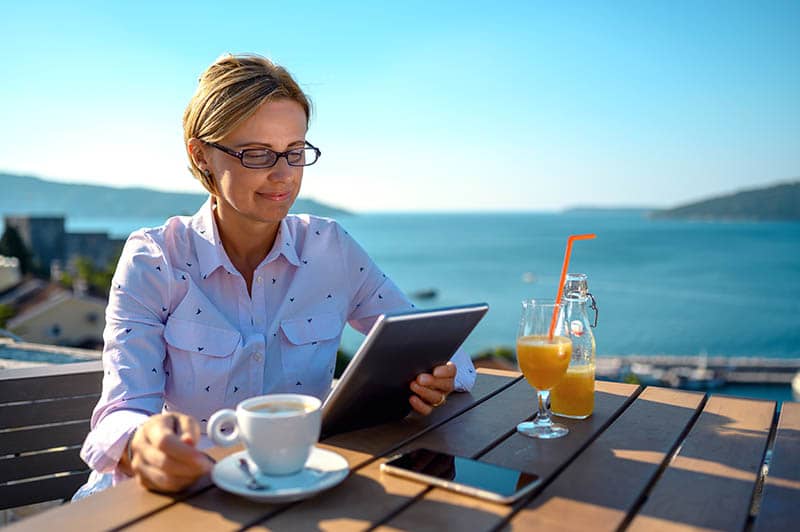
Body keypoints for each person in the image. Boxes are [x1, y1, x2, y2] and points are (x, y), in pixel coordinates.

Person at [75, 53, 476, 497]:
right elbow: (121, 412)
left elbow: (443, 348)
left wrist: (439, 375)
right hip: (177, 498)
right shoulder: (155, 258)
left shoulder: (331, 249)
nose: (283, 175)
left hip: (298, 492)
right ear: (201, 153)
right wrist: (144, 445)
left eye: (295, 152)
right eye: (257, 153)